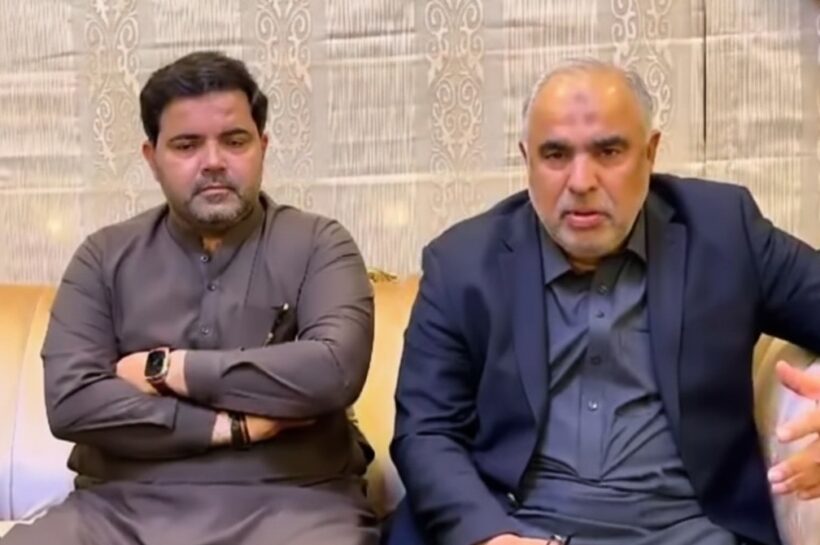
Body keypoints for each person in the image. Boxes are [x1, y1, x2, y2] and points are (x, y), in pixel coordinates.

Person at [388, 59, 820, 545]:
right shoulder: (462, 263)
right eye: (555, 154)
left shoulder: (723, 231)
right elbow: (425, 431)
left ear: (650, 153)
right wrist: (491, 537)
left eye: (608, 151)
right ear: (526, 159)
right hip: (519, 528)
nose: (581, 181)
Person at [3, 51, 378, 545]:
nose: (214, 162)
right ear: (151, 157)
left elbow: (334, 372)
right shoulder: (103, 255)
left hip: (294, 501)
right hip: (118, 507)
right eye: (186, 145)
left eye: (235, 140)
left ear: (263, 147)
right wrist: (231, 426)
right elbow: (73, 401)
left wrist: (167, 370)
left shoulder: (319, 243)